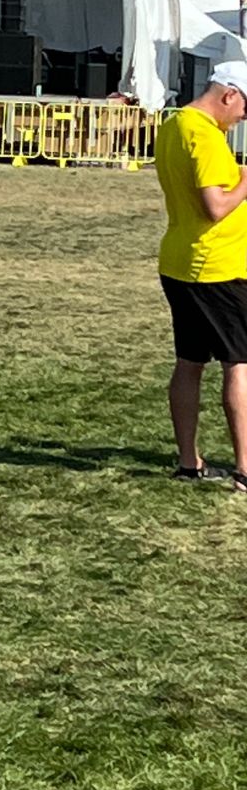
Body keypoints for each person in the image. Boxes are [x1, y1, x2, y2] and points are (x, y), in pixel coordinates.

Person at [154, 61, 247, 489]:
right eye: (244, 106)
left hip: (180, 261)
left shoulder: (173, 125)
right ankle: (245, 468)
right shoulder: (206, 137)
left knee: (189, 363)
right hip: (219, 268)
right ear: (229, 94)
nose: (243, 118)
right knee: (239, 366)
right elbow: (216, 206)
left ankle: (189, 461)